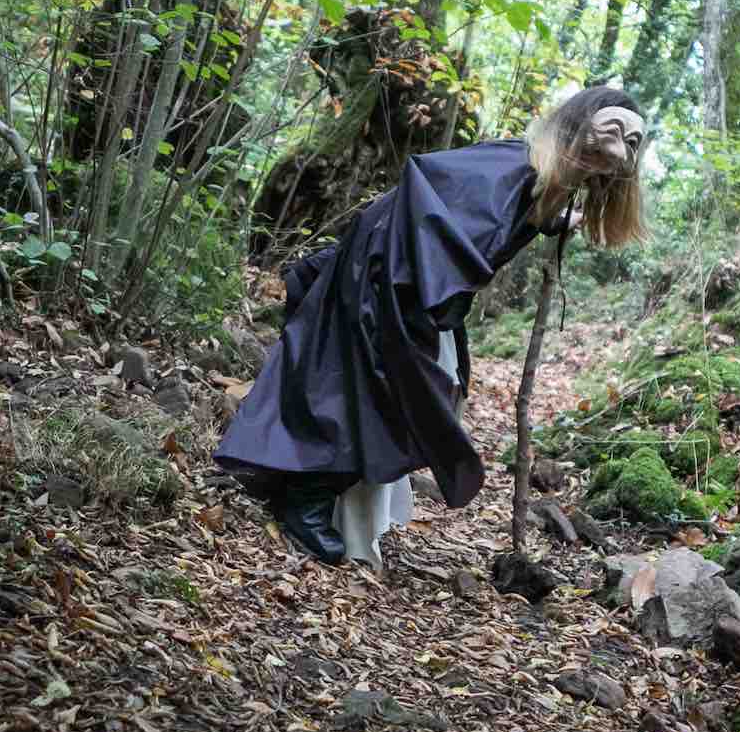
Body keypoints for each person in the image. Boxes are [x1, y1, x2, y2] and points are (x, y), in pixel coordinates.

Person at [213, 86, 649, 565]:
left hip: (406, 287)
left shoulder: (537, 177)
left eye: (602, 168)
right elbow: (438, 204)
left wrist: (549, 220)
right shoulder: (512, 166)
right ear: (574, 133)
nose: (593, 167)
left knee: (390, 394)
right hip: (389, 280)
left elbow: (493, 215)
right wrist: (419, 295)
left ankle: (311, 493)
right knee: (390, 398)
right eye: (589, 153)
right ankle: (307, 500)